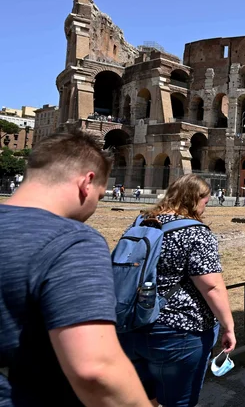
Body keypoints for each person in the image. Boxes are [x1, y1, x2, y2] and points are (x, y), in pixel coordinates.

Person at [0, 131, 151, 406]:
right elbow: (95, 370)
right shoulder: (72, 240)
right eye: (100, 196)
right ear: (87, 182)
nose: (94, 206)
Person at [118, 174, 236, 407]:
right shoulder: (195, 232)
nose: (206, 206)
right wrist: (228, 326)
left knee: (143, 399)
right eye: (205, 200)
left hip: (132, 323)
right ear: (194, 199)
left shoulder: (141, 222)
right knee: (179, 402)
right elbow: (211, 286)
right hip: (178, 331)